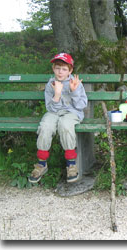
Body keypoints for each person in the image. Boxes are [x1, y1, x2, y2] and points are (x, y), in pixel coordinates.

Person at [28, 53, 88, 184]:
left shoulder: (75, 83)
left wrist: (74, 91)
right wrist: (57, 94)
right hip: (54, 112)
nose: (60, 72)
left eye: (64, 69)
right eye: (57, 68)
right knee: (45, 126)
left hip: (72, 113)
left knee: (65, 126)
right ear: (53, 68)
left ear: (70, 70)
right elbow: (51, 108)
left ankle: (71, 164)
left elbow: (81, 106)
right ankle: (41, 164)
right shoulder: (51, 84)